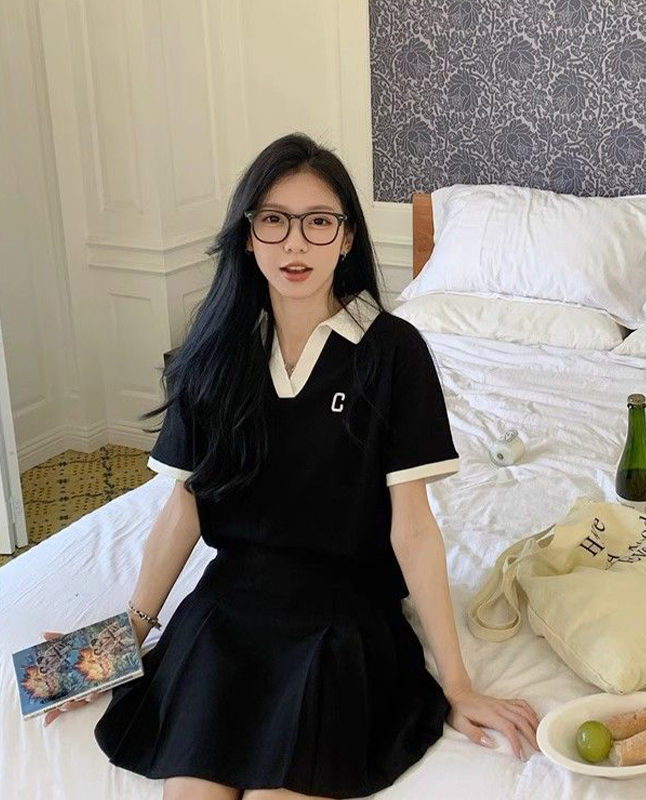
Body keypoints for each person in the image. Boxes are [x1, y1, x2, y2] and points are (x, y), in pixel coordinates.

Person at [42, 133, 540, 800]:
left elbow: (413, 527)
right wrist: (120, 641)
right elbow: (184, 509)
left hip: (343, 618)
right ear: (249, 237)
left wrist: (458, 684)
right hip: (227, 615)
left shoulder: (393, 351)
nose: (295, 244)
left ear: (347, 237)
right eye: (274, 221)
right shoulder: (215, 351)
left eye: (318, 222)